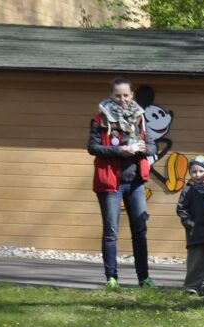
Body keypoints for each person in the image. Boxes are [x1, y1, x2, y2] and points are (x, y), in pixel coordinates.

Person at [87, 76, 156, 290]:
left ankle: (143, 279)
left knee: (140, 231)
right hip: (110, 184)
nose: (122, 99)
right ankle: (111, 278)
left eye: (126, 95)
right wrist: (120, 150)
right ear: (111, 95)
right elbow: (93, 148)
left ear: (132, 95)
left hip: (135, 183)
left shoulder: (140, 118)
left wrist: (143, 148)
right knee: (111, 232)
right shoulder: (99, 120)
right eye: (118, 95)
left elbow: (153, 147)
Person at [176, 155, 204, 295]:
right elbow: (181, 208)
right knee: (196, 260)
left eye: (201, 171)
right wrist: (189, 223)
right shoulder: (188, 190)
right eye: (194, 172)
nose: (197, 175)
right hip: (195, 231)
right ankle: (192, 285)